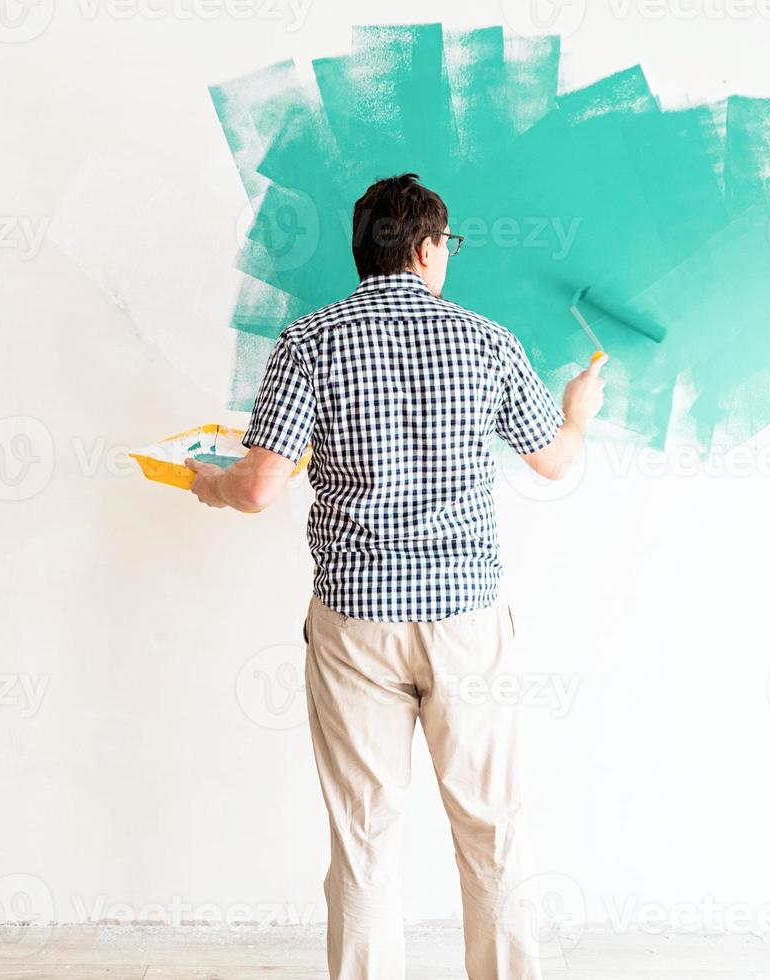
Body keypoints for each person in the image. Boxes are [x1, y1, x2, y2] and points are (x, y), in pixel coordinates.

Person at [186, 173, 606, 979]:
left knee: (363, 834)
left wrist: (208, 482)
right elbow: (554, 461)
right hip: (464, 620)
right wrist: (577, 412)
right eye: (447, 243)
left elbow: (257, 486)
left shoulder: (309, 340)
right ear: (423, 247)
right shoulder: (487, 340)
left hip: (355, 623)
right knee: (492, 829)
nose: (447, 255)